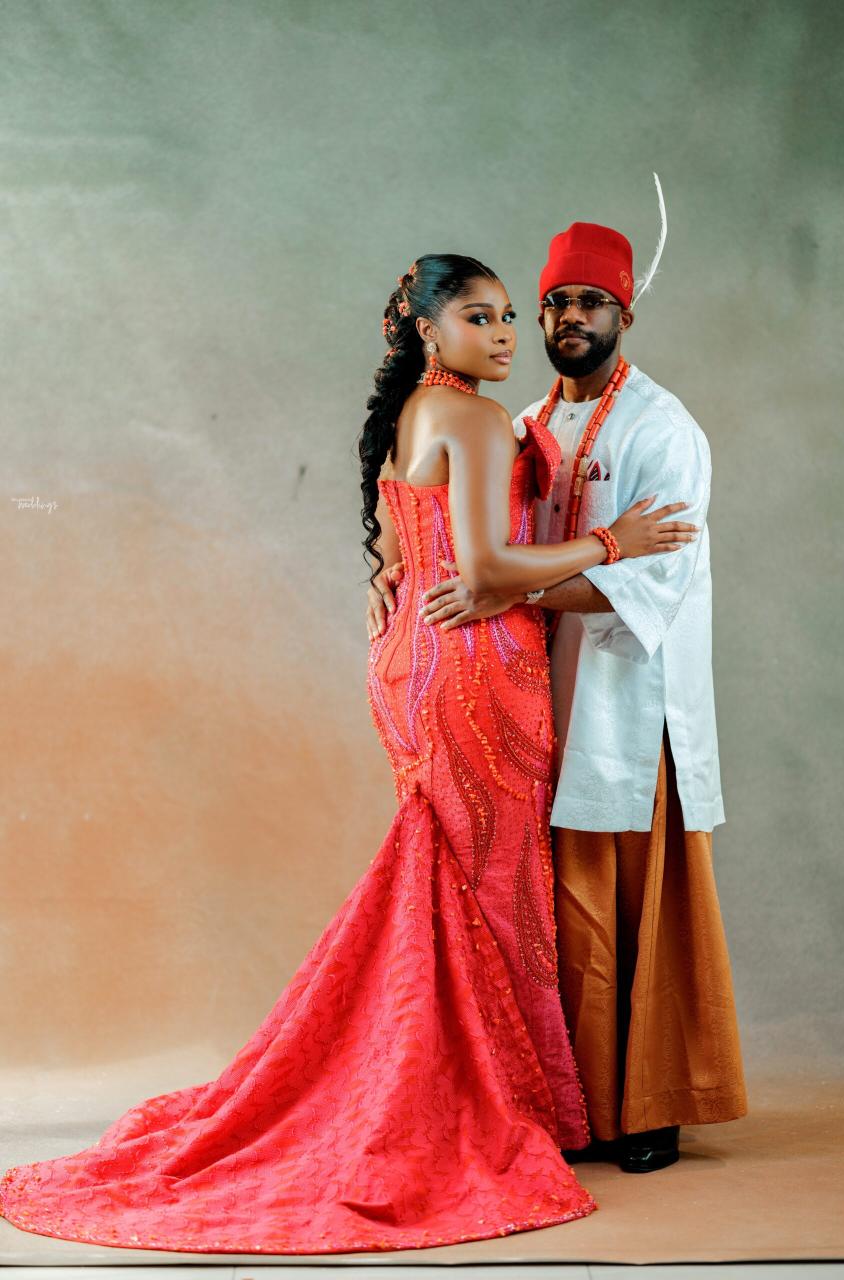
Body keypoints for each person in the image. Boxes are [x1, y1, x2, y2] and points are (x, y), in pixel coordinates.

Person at [0, 255, 696, 1257]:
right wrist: (615, 541)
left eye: (510, 316)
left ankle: (478, 1086)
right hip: (473, 668)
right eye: (480, 317)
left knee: (451, 882)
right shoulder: (471, 418)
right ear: (426, 329)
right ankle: (500, 1103)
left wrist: (394, 588)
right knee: (496, 890)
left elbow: (405, 560)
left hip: (414, 659)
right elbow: (488, 568)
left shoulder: (418, 413)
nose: (506, 333)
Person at [372, 221, 749, 1175]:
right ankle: (565, 1100)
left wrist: (505, 590)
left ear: (626, 314)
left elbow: (658, 576)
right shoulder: (526, 414)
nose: (563, 318)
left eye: (590, 302)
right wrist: (399, 573)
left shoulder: (662, 428)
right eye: (552, 304)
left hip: (626, 693)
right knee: (556, 904)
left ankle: (651, 1106)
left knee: (638, 898)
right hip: (523, 689)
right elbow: (453, 535)